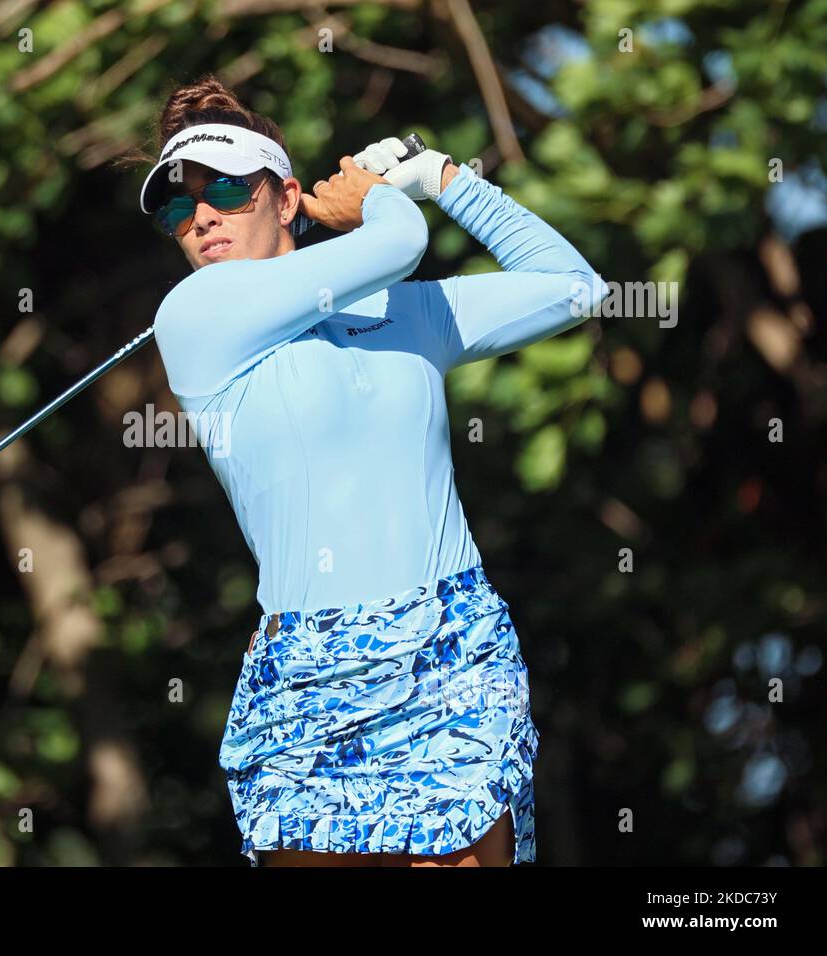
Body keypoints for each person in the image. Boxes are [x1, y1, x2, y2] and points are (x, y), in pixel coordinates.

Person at [121, 74, 608, 866]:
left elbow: (575, 289)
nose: (199, 215)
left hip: (450, 650)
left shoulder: (403, 316)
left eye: (226, 191)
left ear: (285, 200)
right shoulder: (195, 319)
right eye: (178, 207)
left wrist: (443, 179)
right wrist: (375, 199)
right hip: (310, 671)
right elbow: (398, 241)